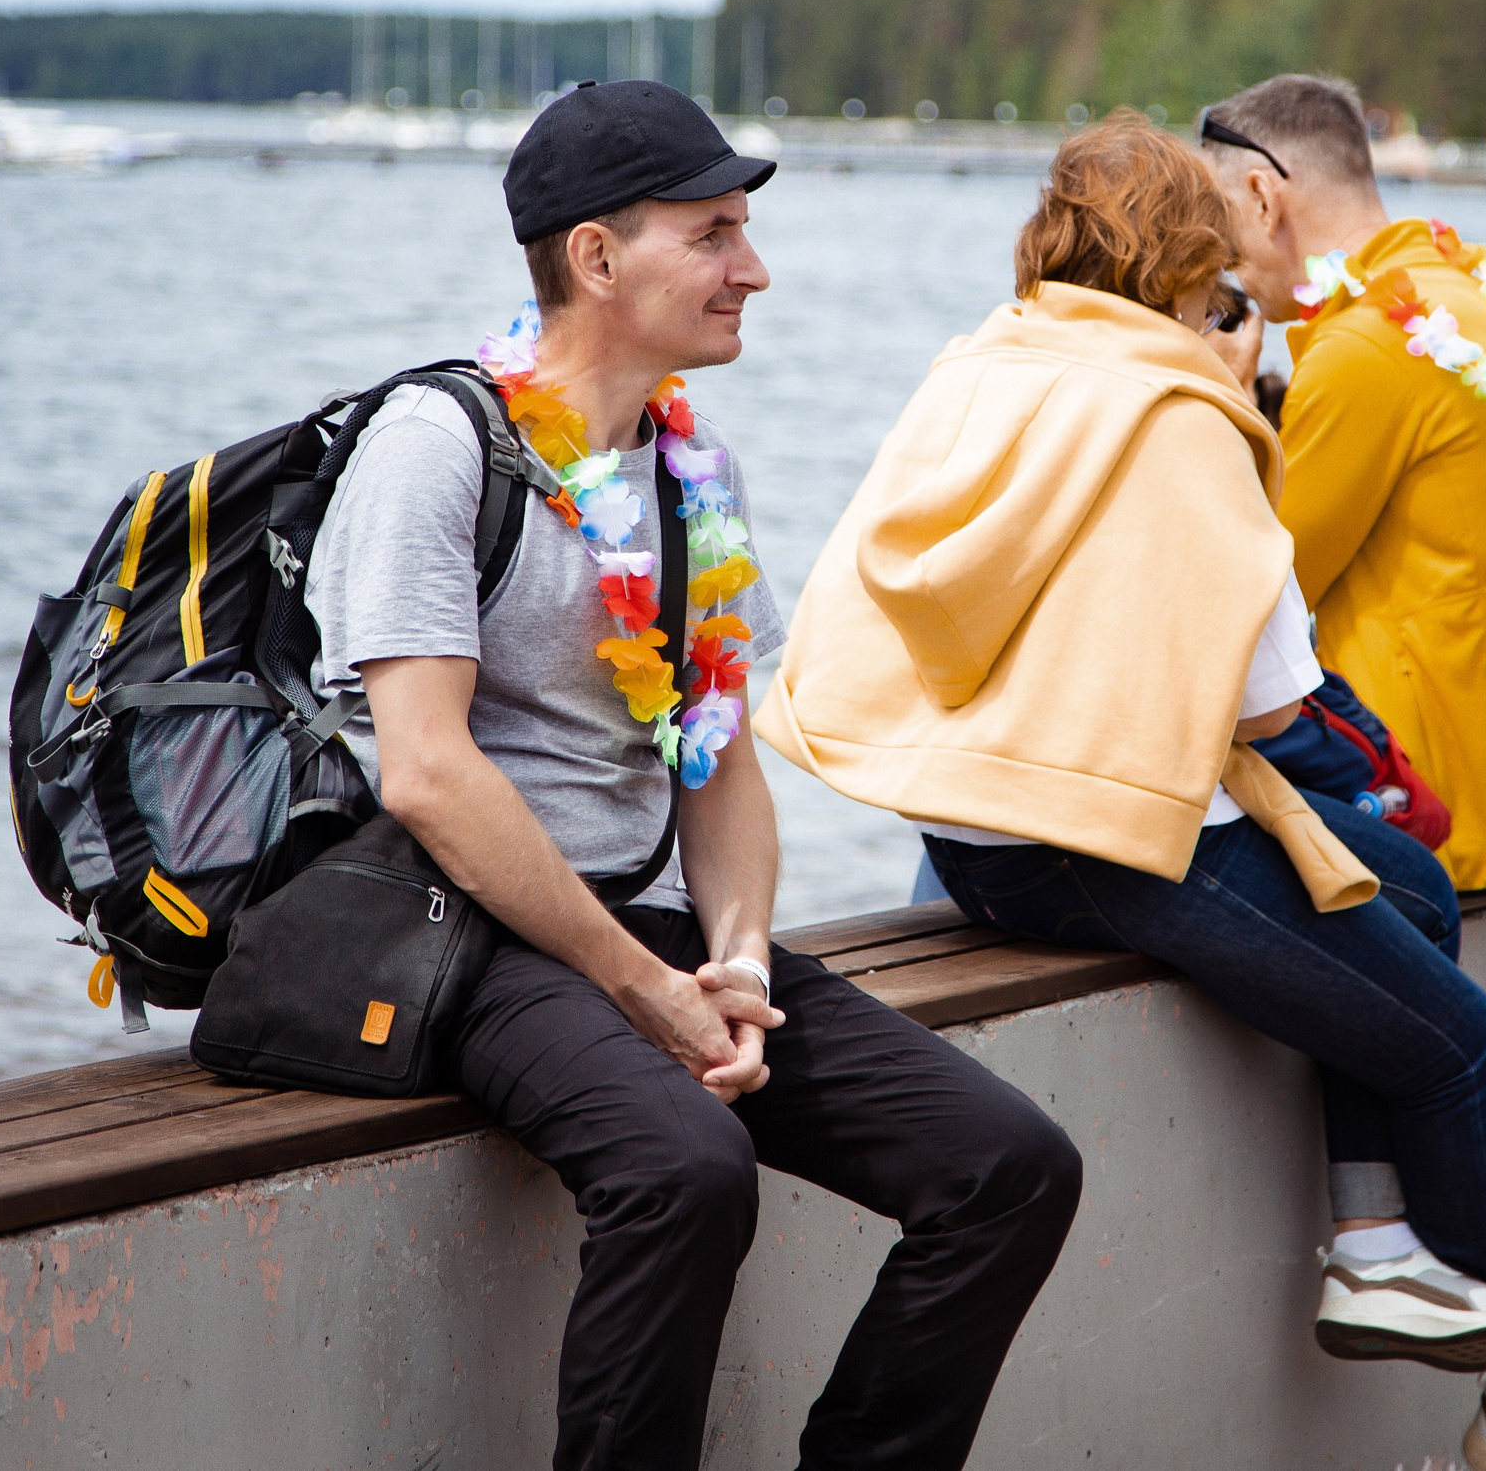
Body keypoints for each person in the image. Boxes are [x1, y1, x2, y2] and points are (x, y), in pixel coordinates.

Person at [760, 112, 1486, 1471]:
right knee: (1456, 1039)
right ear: (1191, 256)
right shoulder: (1177, 414)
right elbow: (1268, 701)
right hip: (1105, 841)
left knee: (1412, 891)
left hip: (978, 833)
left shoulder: (989, 363)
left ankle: (1373, 1239)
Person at [304, 80, 1081, 1471]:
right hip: (471, 939)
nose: (754, 268)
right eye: (714, 232)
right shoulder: (435, 445)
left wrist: (733, 963)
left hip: (658, 932)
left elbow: (716, 763)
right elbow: (426, 773)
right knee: (684, 1169)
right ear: (597, 258)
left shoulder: (687, 464)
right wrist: (640, 985)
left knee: (1010, 1166)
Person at [1198, 75, 1486, 895]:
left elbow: (1244, 603)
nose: (1216, 256)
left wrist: (1223, 401)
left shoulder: (1364, 353)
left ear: (1260, 194)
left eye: (1216, 218)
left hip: (1414, 829)